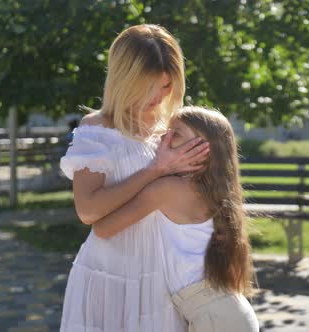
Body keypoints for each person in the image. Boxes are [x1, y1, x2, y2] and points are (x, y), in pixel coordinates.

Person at [58, 24, 209, 331]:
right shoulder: (98, 129)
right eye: (149, 86)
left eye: (166, 86)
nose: (158, 96)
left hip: (164, 277)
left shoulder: (174, 127)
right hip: (109, 275)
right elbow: (88, 211)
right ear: (124, 79)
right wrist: (155, 170)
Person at [91, 106, 259, 332]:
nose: (163, 136)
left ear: (202, 151)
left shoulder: (168, 189)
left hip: (216, 318)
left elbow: (103, 228)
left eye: (175, 133)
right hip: (225, 313)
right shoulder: (205, 191)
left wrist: (155, 169)